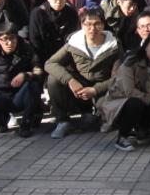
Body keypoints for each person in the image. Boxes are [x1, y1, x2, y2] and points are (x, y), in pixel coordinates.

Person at [46, 8, 122, 139]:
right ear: (82, 25)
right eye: (88, 24)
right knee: (53, 79)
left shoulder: (114, 45)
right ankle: (62, 121)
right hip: (79, 87)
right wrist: (70, 80)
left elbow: (118, 77)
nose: (92, 28)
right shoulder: (74, 42)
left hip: (102, 89)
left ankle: (98, 117)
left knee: (106, 117)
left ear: (103, 25)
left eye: (97, 24)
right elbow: (50, 63)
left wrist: (95, 90)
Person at [97, 30, 150, 151]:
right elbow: (129, 91)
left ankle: (142, 130)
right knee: (135, 103)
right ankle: (122, 136)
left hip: (142, 101)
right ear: (146, 47)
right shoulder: (130, 61)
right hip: (119, 102)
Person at [0, 22, 44, 138]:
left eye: (12, 38)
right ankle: (1, 120)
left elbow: (39, 71)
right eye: (5, 39)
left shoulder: (26, 48)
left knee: (34, 85)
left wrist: (25, 75)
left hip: (19, 95)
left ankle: (26, 124)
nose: (9, 43)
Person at [28, 0, 80, 65]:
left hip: (65, 55)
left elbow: (73, 37)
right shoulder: (38, 13)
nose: (58, 1)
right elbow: (34, 39)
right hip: (44, 56)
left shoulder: (71, 13)